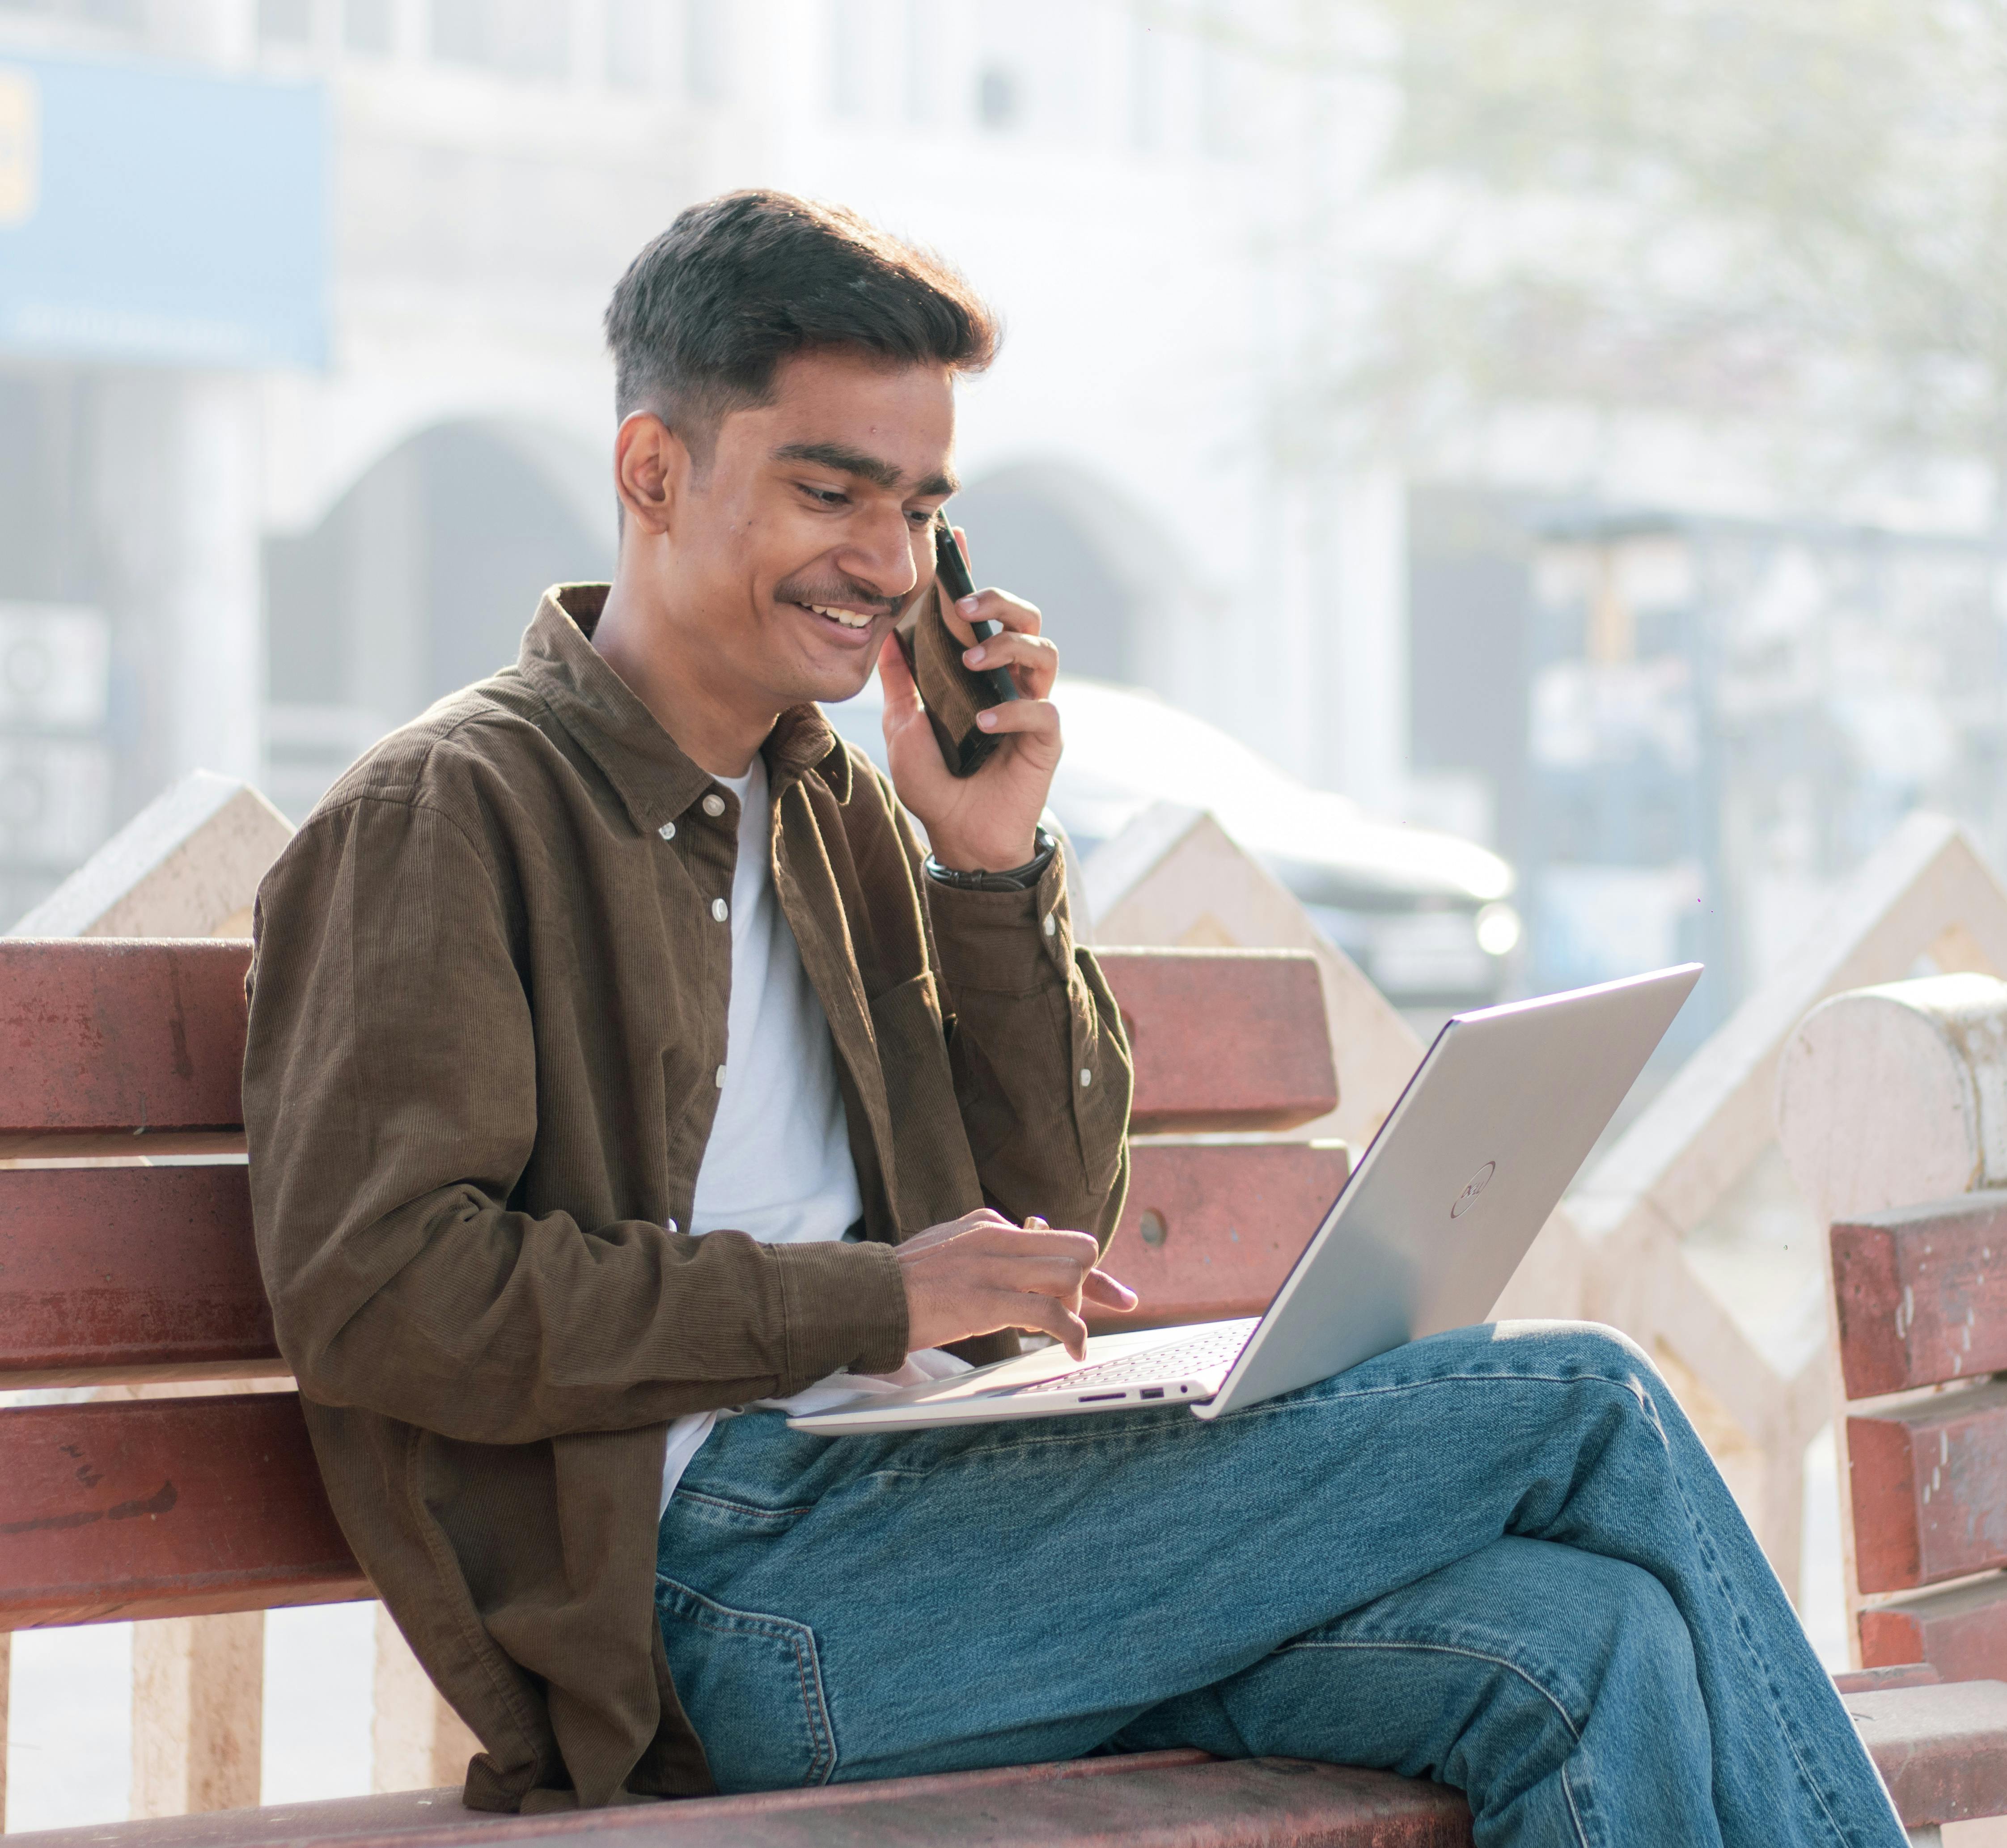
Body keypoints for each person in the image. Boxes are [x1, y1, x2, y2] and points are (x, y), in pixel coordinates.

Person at [245, 189, 1906, 1846]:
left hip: (944, 1535)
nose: (889, 567)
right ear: (654, 471)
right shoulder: (454, 811)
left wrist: (989, 866)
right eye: (832, 492)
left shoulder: (833, 812)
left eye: (918, 510)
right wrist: (858, 1299)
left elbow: (1049, 1221)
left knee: (1577, 1647)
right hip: (726, 1607)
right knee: (1583, 1400)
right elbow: (383, 1295)